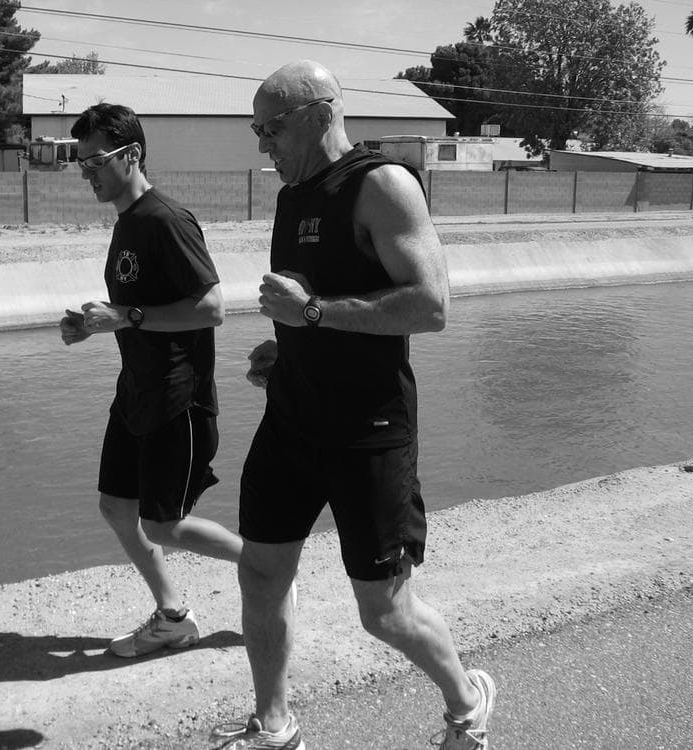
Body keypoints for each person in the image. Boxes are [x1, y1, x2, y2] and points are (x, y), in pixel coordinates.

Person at [209, 62, 496, 750]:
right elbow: (325, 308)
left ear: (319, 113)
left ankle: (467, 702)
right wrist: (288, 346)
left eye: (270, 127)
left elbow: (431, 307)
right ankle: (275, 726)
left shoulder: (382, 185)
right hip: (292, 419)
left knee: (385, 612)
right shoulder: (292, 198)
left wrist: (309, 312)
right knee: (261, 572)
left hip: (368, 428)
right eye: (256, 129)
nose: (262, 144)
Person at [60, 103, 242, 658]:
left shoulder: (166, 219)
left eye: (95, 160)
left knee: (162, 525)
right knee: (116, 508)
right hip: (135, 391)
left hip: (176, 396)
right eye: (81, 162)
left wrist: (125, 317)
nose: (86, 172)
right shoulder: (127, 223)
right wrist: (96, 324)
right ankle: (173, 616)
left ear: (131, 155)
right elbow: (139, 306)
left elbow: (211, 308)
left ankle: (268, 561)